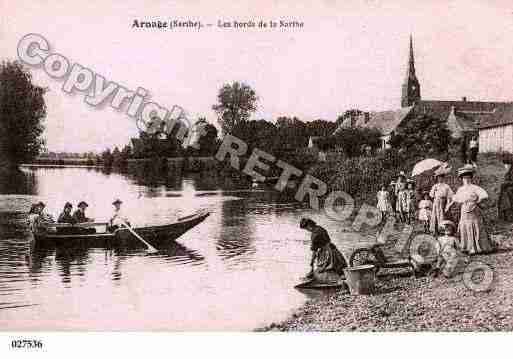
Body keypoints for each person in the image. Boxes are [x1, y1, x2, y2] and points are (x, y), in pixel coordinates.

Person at [446, 164, 495, 255]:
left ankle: (479, 247)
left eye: (468, 177)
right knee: (465, 226)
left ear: (471, 178)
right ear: (462, 179)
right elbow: (455, 198)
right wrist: (449, 205)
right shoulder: (460, 189)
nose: (466, 179)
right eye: (464, 178)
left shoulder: (474, 187)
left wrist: (477, 201)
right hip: (464, 209)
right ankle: (468, 247)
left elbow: (484, 195)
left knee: (476, 226)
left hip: (474, 209)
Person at [299, 218, 347, 283]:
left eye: (306, 229)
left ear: (309, 226)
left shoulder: (314, 234)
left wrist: (312, 261)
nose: (307, 230)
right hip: (332, 248)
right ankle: (341, 277)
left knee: (324, 267)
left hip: (326, 252)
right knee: (337, 265)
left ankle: (331, 281)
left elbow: (314, 250)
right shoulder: (320, 228)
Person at [429, 165, 454, 235]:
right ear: (437, 178)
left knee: (442, 216)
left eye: (441, 177)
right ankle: (434, 230)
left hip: (443, 202)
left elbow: (450, 196)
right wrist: (434, 190)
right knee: (434, 215)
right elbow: (431, 195)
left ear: (443, 178)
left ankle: (442, 230)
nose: (440, 179)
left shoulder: (446, 186)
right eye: (439, 177)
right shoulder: (435, 186)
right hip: (436, 201)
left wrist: (448, 204)